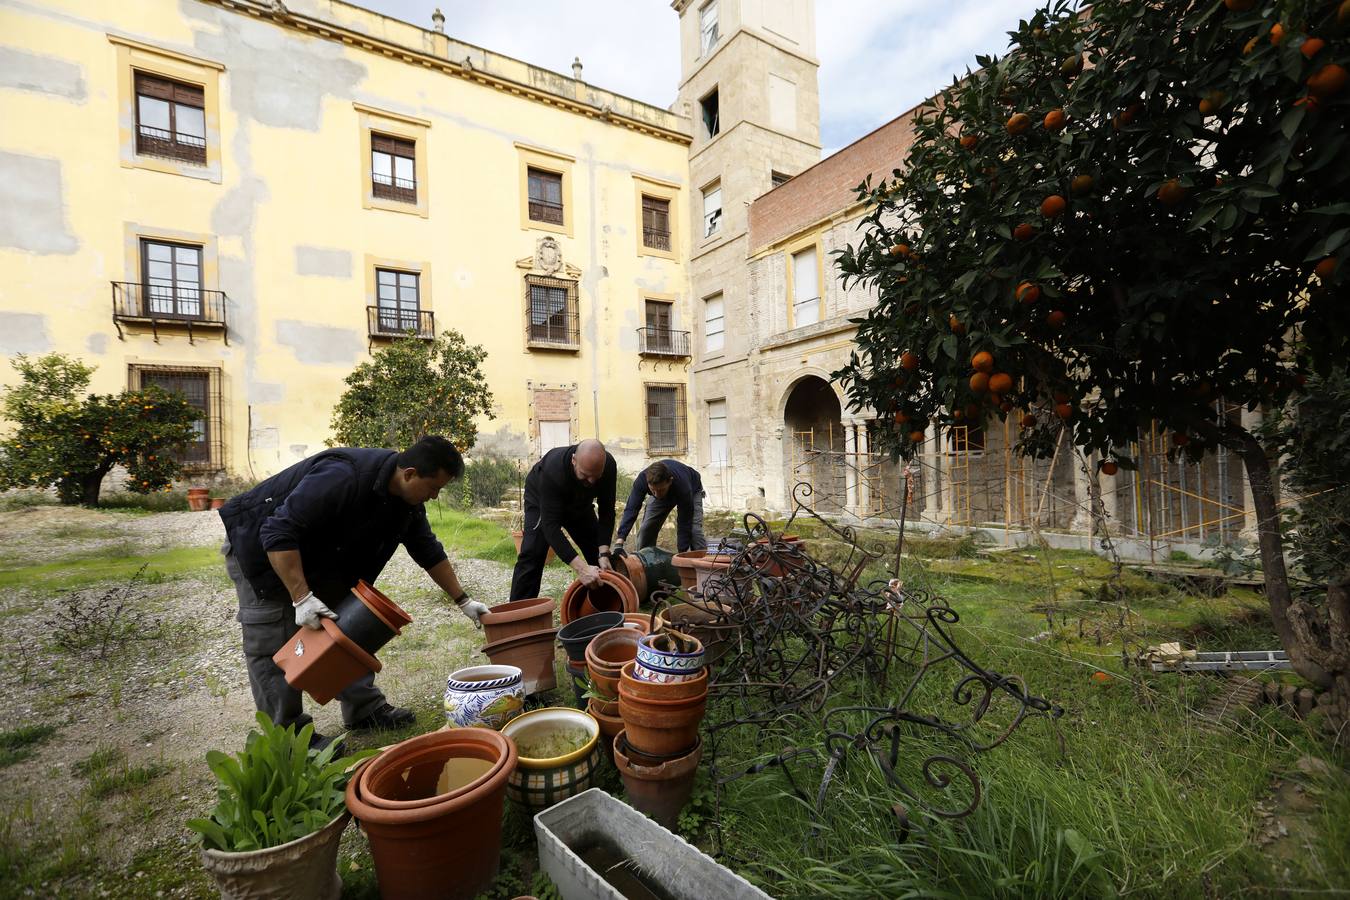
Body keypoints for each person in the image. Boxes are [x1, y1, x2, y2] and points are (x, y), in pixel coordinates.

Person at [219, 436, 488, 747]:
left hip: (321, 554)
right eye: (433, 488)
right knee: (271, 638)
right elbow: (277, 531)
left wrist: (463, 600)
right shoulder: (344, 475)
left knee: (348, 624)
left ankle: (365, 710)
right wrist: (301, 597)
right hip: (265, 548)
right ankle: (290, 738)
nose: (435, 497)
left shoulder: (407, 503)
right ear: (410, 473)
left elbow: (428, 551)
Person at [509, 438, 617, 601]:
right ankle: (519, 614)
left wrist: (603, 552)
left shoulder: (608, 465)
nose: (591, 482)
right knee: (532, 554)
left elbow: (607, 510)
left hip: (580, 504)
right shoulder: (553, 470)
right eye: (585, 475)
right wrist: (581, 569)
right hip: (542, 501)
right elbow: (550, 527)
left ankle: (607, 606)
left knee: (600, 559)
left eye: (596, 477)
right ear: (574, 460)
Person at [613, 460, 707, 555]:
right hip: (670, 490)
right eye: (653, 490)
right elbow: (631, 508)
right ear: (648, 483)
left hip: (693, 489)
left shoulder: (683, 486)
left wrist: (682, 554)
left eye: (661, 490)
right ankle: (645, 561)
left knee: (694, 531)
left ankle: (704, 565)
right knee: (646, 529)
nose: (657, 494)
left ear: (670, 481)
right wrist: (619, 542)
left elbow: (684, 522)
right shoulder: (642, 480)